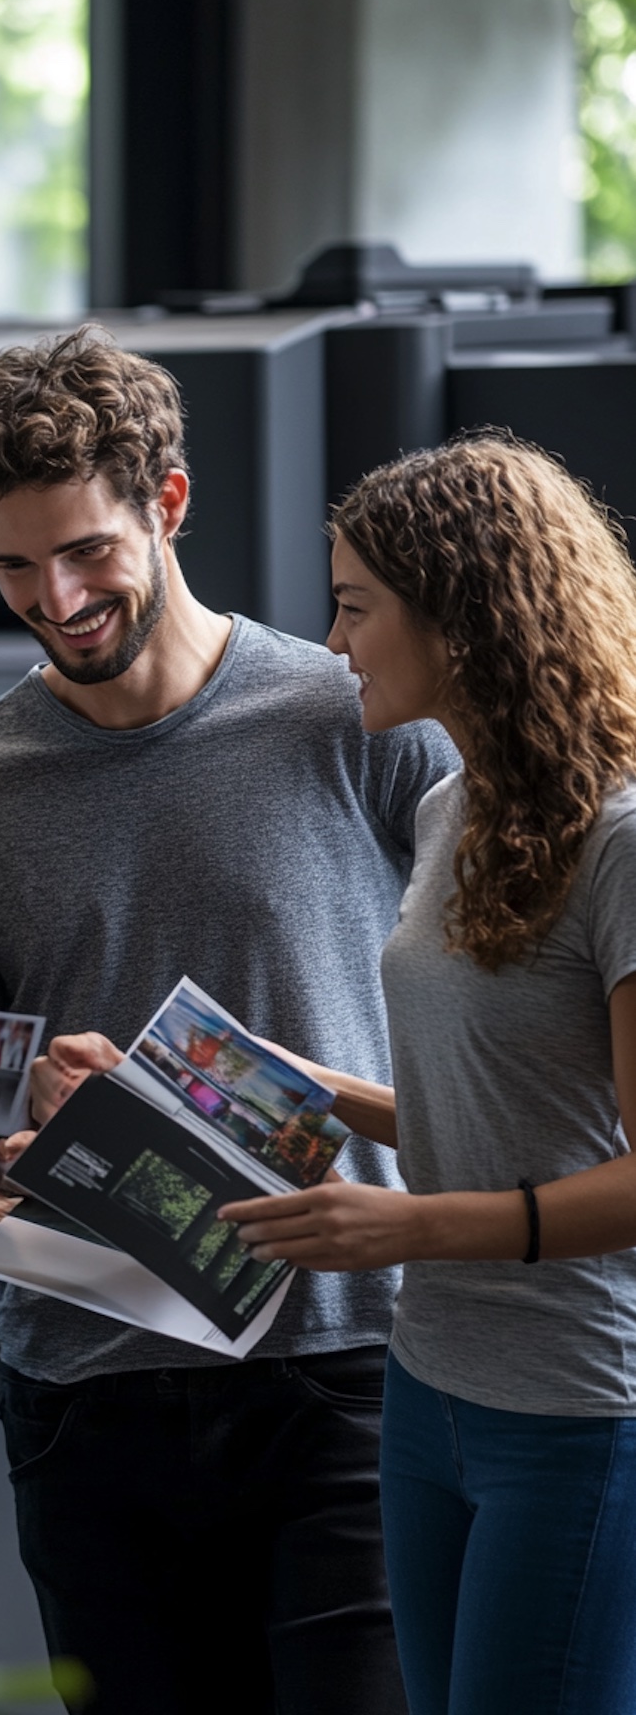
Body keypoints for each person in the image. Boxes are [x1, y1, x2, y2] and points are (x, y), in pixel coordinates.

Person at [0, 326, 457, 1714]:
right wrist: (6, 1129)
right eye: (12, 564)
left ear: (169, 503)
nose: (54, 598)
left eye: (84, 552)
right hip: (90, 1383)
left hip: (346, 1356)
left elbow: (494, 1005)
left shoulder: (357, 714)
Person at [219, 435, 636, 1715]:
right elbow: (497, 1115)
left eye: (354, 606)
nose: (332, 641)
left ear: (461, 615)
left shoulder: (619, 840)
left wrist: (403, 1225)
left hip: (576, 1408)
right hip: (429, 1386)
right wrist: (255, 1073)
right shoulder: (451, 806)